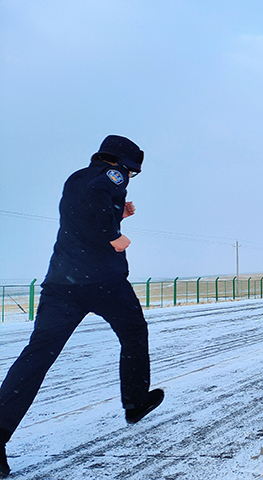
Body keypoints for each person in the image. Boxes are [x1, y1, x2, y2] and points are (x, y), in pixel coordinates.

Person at [0, 135, 163, 478]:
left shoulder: (76, 176)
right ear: (123, 164)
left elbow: (80, 211)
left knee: (36, 358)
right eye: (132, 172)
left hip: (61, 283)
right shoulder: (112, 177)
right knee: (134, 332)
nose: (129, 179)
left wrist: (118, 213)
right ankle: (134, 403)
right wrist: (113, 235)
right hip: (102, 282)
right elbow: (96, 202)